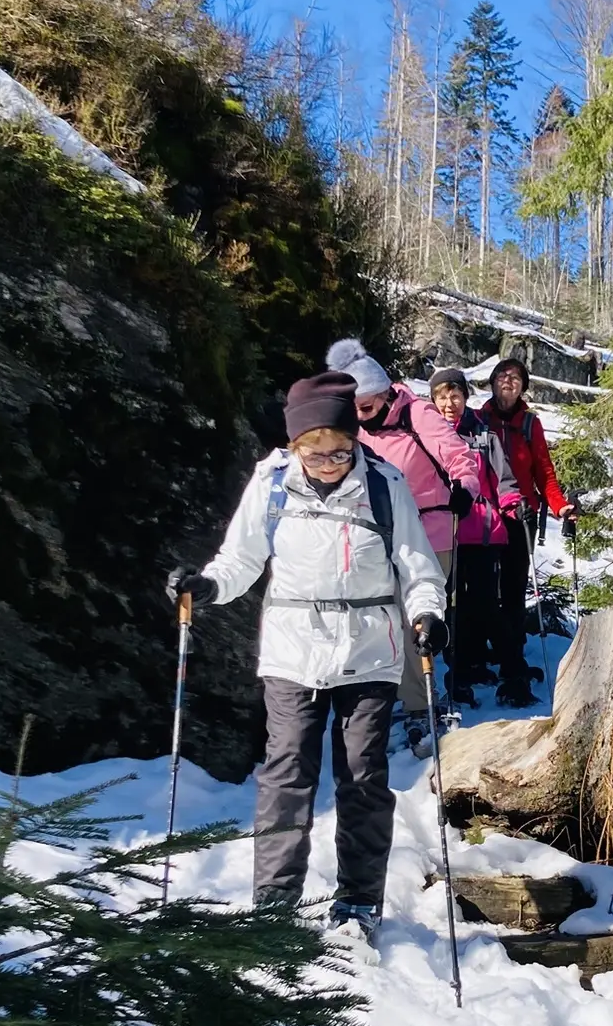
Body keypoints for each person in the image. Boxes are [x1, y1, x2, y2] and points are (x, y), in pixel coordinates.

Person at [166, 370, 447, 950]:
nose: (328, 464)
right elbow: (239, 561)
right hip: (293, 652)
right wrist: (206, 586)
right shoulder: (271, 484)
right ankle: (273, 907)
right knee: (286, 774)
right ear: (295, 446)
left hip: (369, 653)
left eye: (340, 452)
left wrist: (427, 614)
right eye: (314, 455)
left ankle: (358, 902)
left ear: (355, 440)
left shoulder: (383, 484)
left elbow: (418, 567)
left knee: (363, 780)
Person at [324, 339, 482, 738]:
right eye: (354, 409)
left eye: (366, 407)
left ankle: (419, 704)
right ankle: (393, 694)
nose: (361, 417)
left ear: (384, 393)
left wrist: (465, 486)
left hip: (430, 532)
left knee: (418, 617)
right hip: (380, 535)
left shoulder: (417, 414)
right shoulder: (359, 429)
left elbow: (458, 454)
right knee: (383, 617)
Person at [479, 358, 579, 708]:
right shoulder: (479, 419)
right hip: (483, 516)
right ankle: (485, 657)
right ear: (492, 382)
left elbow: (544, 474)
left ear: (523, 387)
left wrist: (560, 506)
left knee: (512, 591)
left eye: (517, 378)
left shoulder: (530, 424)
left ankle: (512, 660)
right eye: (503, 376)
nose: (509, 382)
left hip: (522, 517)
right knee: (481, 592)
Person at [428, 366, 520, 705]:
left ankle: (513, 670)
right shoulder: (426, 437)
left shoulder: (484, 437)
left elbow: (505, 480)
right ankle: (460, 672)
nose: (449, 402)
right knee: (452, 608)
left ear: (466, 397)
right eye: (441, 396)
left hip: (482, 533)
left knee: (486, 606)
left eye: (455, 395)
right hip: (443, 534)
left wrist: (512, 503)